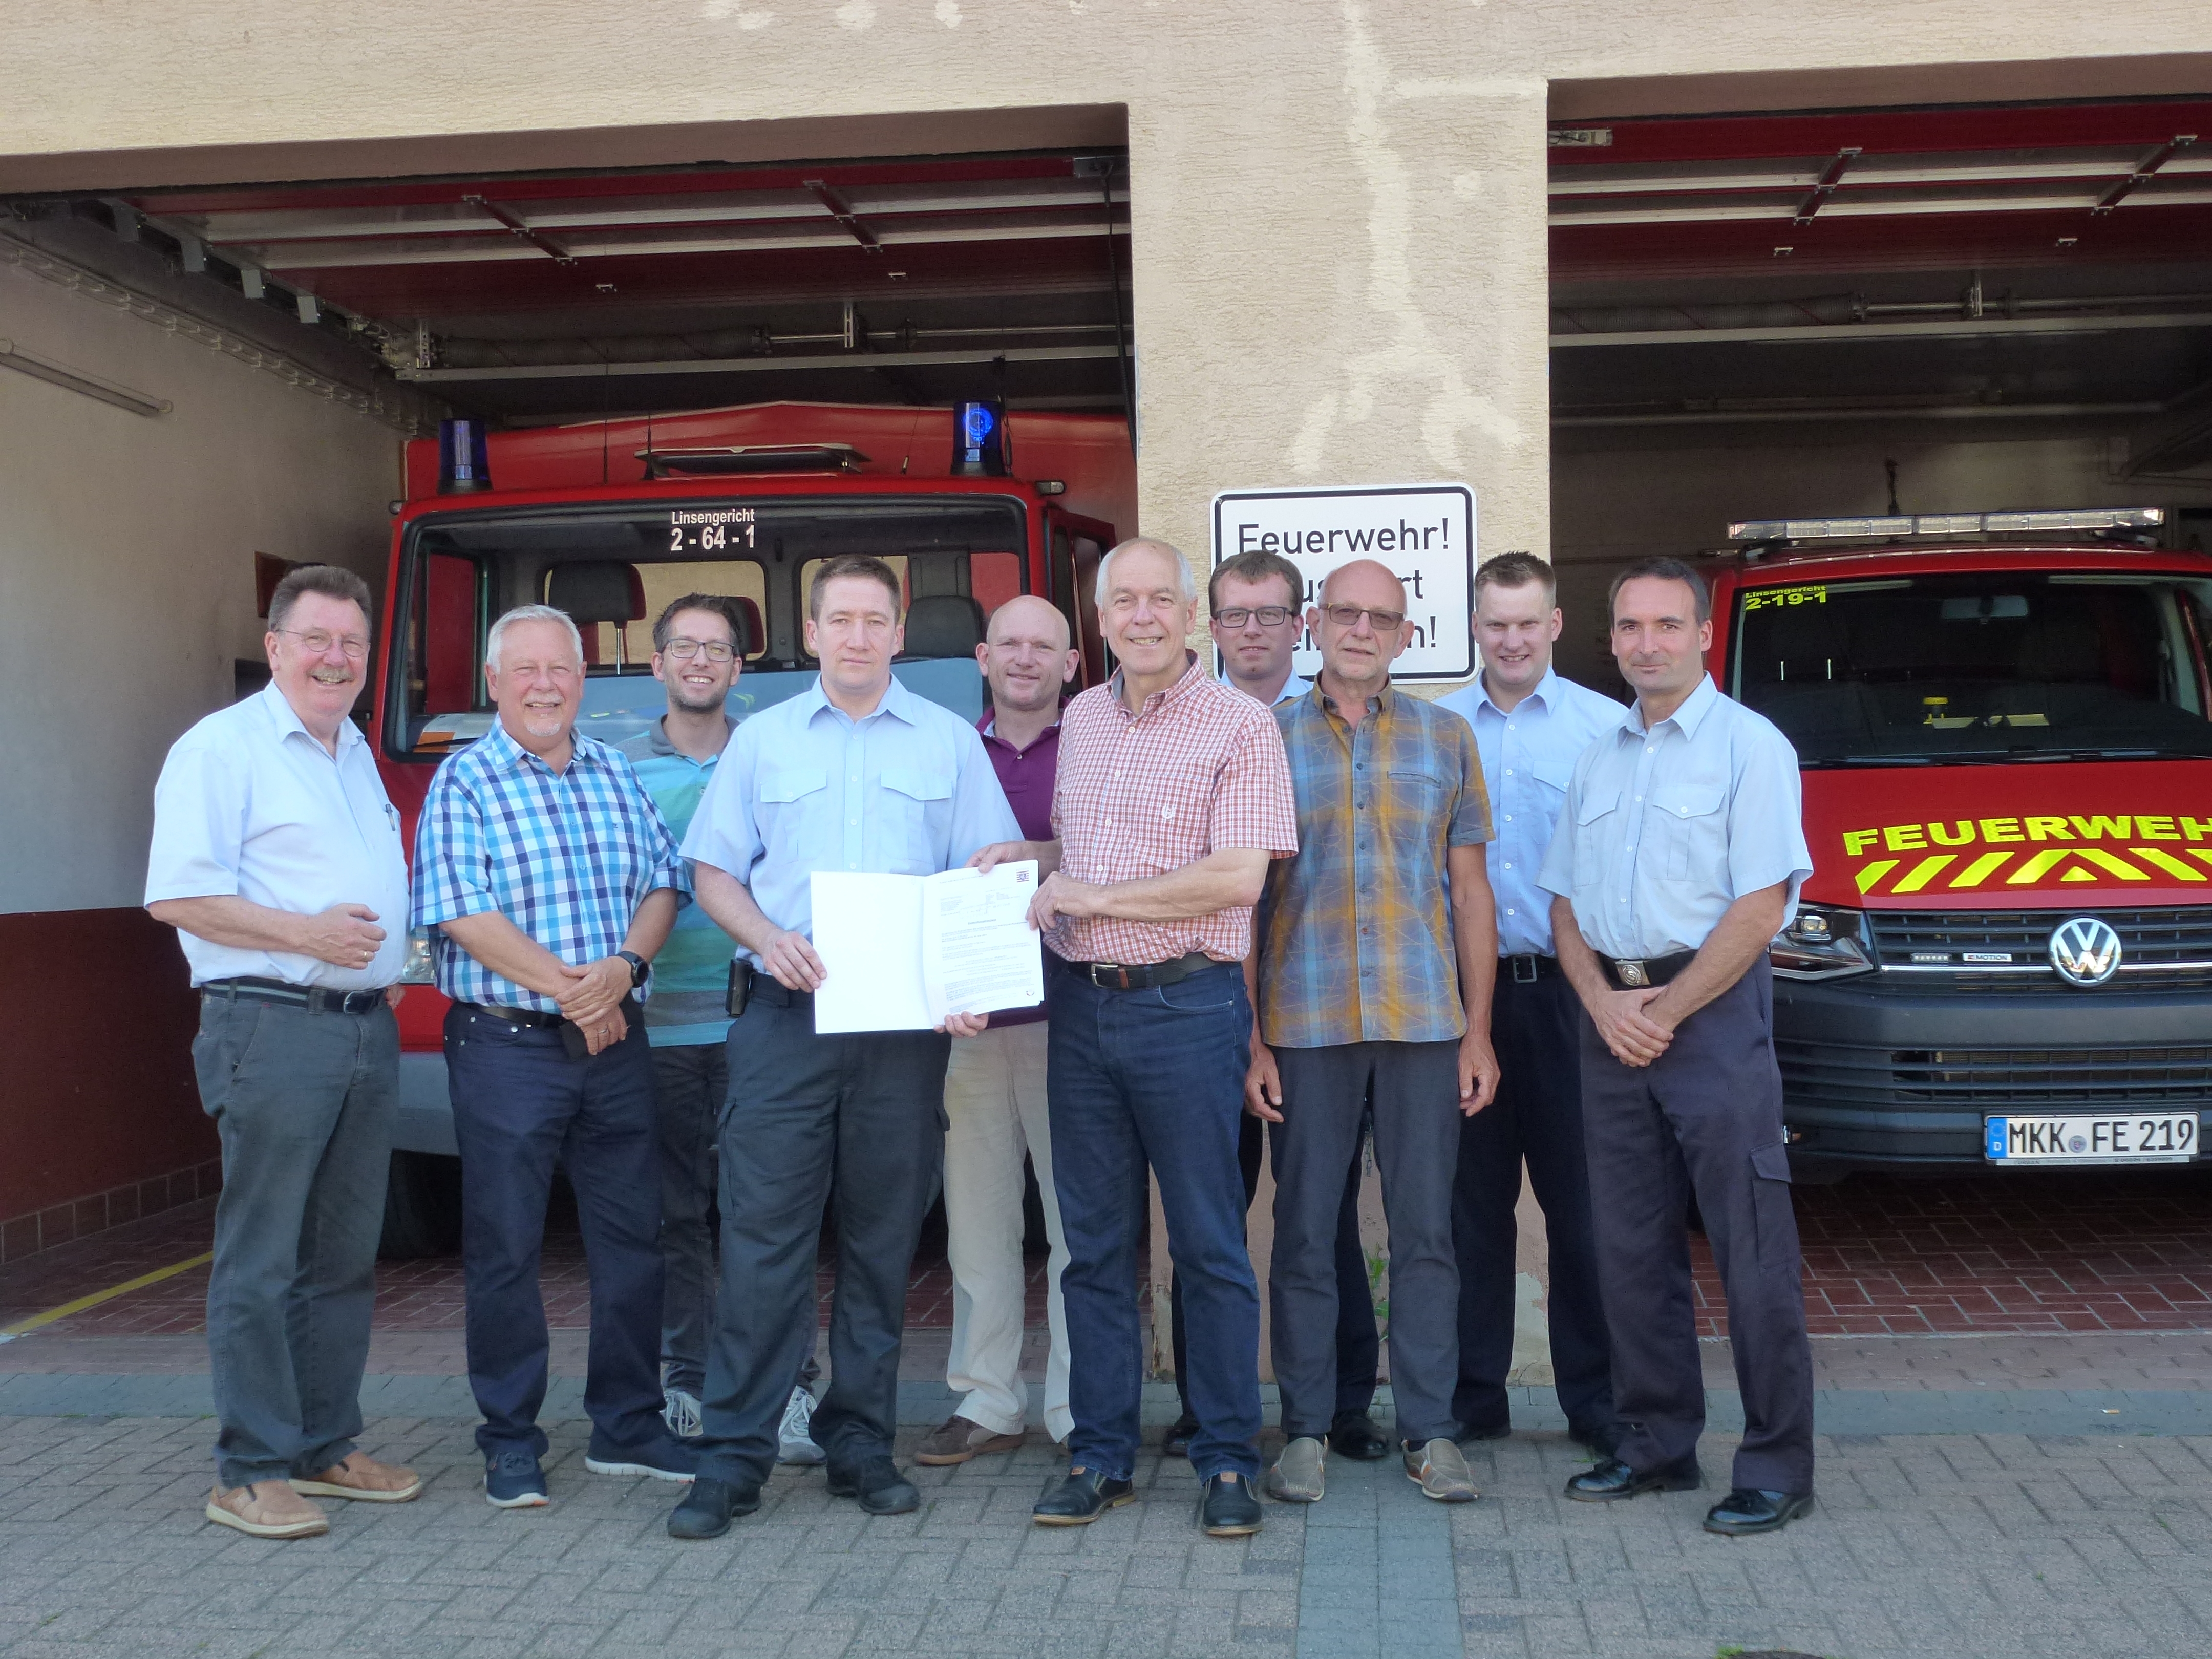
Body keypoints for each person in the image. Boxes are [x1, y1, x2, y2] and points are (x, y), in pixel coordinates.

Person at [666, 556, 1020, 1540]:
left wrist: (968, 987)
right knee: (761, 1241)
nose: (858, 637)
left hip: (903, 1035)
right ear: (811, 636)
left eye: (876, 620)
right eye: (841, 621)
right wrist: (764, 938)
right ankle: (733, 1456)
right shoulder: (765, 744)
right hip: (785, 1022)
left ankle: (859, 1438)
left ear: (899, 636)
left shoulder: (950, 745)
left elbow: (982, 881)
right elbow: (713, 872)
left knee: (880, 1244)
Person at [985, 537, 1298, 1540]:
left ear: (1192, 617)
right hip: (1084, 1009)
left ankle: (1224, 1459)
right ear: (1103, 618)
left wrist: (1093, 892)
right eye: (1125, 602)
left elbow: (1237, 879)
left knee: (1209, 1246)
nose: (1145, 616)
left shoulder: (1241, 726)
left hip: (1187, 1009)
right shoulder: (1081, 718)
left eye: (1163, 599)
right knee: (1095, 1250)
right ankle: (1101, 1453)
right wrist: (1029, 858)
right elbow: (1087, 854)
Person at [1537, 556, 1817, 1537]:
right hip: (1609, 1024)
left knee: (1751, 1252)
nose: (1646, 643)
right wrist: (1605, 1007)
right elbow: (1563, 902)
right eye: (1629, 628)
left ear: (1703, 635)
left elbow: (1760, 905)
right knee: (1629, 1251)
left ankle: (1778, 1464)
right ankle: (1655, 1445)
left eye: (1666, 625)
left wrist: (1666, 1010)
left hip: (1712, 1022)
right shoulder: (1598, 756)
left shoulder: (1753, 748)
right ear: (1609, 639)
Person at [147, 563, 422, 1540]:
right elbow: (177, 895)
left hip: (360, 1028)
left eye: (352, 643)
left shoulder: (351, 752)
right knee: (262, 1258)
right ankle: (248, 1468)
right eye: (317, 640)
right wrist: (307, 936)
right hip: (268, 1024)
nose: (336, 659)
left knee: (342, 1256)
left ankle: (324, 1445)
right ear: (275, 647)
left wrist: (388, 959)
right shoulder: (220, 751)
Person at [413, 603, 695, 1509]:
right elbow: (461, 908)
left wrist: (622, 970)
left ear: (582, 681)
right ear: (494, 683)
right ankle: (509, 1438)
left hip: (613, 1044)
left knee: (633, 1243)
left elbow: (665, 882)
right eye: (524, 669)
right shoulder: (465, 779)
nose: (544, 684)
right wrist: (584, 993)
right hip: (508, 1047)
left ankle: (628, 1425)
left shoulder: (615, 769)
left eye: (560, 669)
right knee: (505, 1246)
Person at [1247, 560, 1500, 1507]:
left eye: (1381, 617)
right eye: (1345, 612)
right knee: (1306, 1233)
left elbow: (1470, 892)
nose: (1362, 628)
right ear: (1314, 624)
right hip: (1303, 1025)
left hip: (1424, 1022)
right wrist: (1252, 1042)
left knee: (1427, 1233)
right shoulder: (1262, 738)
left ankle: (1430, 1431)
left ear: (1405, 634)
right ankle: (1307, 1428)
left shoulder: (1447, 737)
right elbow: (1246, 900)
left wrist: (1479, 1034)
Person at [1177, 548, 1385, 1464]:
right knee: (1206, 1213)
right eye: (1235, 614)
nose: (1252, 629)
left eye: (1270, 614)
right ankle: (1204, 1408)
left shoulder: (1318, 730)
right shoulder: (1179, 731)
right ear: (1211, 627)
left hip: (1302, 1016)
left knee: (1321, 1211)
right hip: (1191, 1007)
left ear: (1298, 625)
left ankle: (1343, 1406)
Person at [616, 593, 823, 1465]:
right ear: (656, 664)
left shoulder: (777, 757)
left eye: (718, 649)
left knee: (769, 1214)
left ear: (740, 669)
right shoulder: (617, 769)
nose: (700, 661)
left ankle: (787, 1392)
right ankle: (689, 1383)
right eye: (683, 647)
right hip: (658, 1027)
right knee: (674, 1220)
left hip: (757, 1022)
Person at [1437, 552, 1623, 1453]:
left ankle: (1599, 1405)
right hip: (1459, 1003)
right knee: (1468, 1210)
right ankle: (1474, 1404)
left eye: (1527, 623)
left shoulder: (1606, 730)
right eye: (1494, 623)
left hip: (1570, 1001)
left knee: (1584, 1209)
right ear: (1474, 627)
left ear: (1555, 624)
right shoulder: (1434, 731)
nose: (1510, 640)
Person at [914, 595, 1079, 1467]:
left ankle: (1076, 1410)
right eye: (1009, 644)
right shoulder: (944, 750)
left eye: (1041, 647)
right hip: (967, 1025)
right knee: (977, 1227)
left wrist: (1040, 854)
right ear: (982, 657)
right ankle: (986, 1402)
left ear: (1072, 661)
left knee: (1076, 1227)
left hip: (1074, 1021)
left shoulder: (1097, 746)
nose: (1024, 659)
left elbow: (1121, 854)